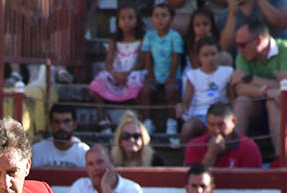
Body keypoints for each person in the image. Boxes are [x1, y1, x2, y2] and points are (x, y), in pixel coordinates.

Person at [230, 19, 287, 158]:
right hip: (264, 100)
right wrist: (266, 91)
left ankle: (280, 159)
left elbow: (284, 86)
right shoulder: (243, 55)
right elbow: (240, 89)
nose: (239, 50)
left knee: (274, 102)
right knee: (242, 102)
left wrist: (250, 78)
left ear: (258, 40)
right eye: (237, 45)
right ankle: (235, 156)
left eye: (242, 45)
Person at [87, 1, 148, 135]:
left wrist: (127, 74)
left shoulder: (142, 40)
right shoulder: (114, 41)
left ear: (137, 20)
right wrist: (115, 74)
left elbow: (141, 63)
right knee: (98, 82)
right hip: (116, 74)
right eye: (123, 18)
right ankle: (103, 121)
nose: (126, 21)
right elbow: (108, 63)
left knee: (136, 81)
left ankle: (140, 121)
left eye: (130, 18)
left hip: (132, 74)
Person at [178, 35, 234, 145]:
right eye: (205, 55)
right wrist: (181, 106)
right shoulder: (192, 75)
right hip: (200, 115)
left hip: (221, 113)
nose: (210, 59)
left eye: (213, 54)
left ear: (219, 54)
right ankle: (186, 159)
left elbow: (232, 98)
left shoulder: (228, 72)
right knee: (188, 128)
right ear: (199, 57)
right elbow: (187, 101)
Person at [139, 1, 184, 139]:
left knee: (171, 90)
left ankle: (171, 122)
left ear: (171, 18)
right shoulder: (149, 36)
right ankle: (147, 122)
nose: (160, 19)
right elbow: (147, 57)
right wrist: (151, 75)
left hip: (172, 75)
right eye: (156, 15)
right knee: (144, 89)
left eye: (164, 15)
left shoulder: (175, 37)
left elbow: (176, 58)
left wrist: (171, 77)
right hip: (155, 75)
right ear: (151, 18)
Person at [183, 101, 262, 168]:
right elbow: (193, 181)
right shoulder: (195, 145)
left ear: (233, 122)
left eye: (221, 124)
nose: (216, 130)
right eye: (211, 125)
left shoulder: (248, 147)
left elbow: (255, 183)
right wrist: (211, 154)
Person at [209, 0, 287, 57]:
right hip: (244, 63)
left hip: (276, 57)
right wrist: (232, 13)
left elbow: (282, 23)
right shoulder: (226, 15)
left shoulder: (275, 1)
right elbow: (224, 48)